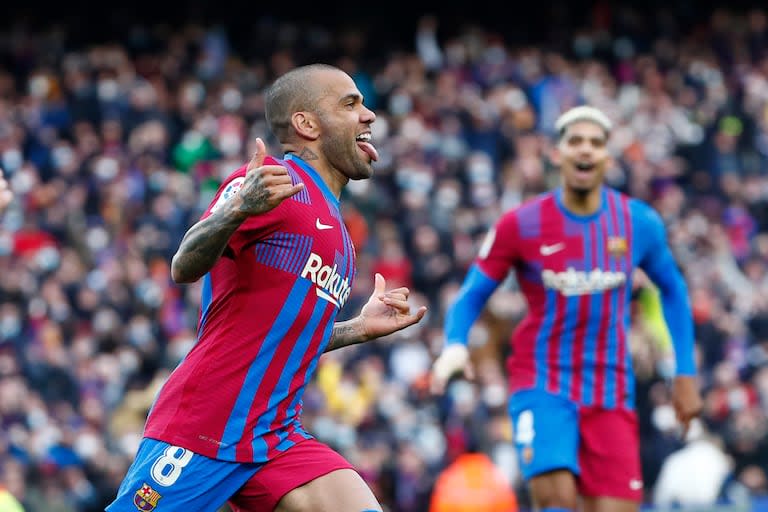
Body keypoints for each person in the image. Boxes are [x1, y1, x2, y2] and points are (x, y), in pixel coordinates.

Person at [107, 63, 427, 512]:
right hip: (208, 424)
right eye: (350, 104)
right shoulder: (269, 183)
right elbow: (184, 264)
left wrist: (356, 328)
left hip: (274, 436)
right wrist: (236, 210)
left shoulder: (340, 232)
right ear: (306, 123)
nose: (368, 114)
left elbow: (281, 337)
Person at [429, 105, 703, 512]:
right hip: (542, 383)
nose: (586, 150)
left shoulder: (637, 223)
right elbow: (471, 293)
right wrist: (454, 344)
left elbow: (675, 289)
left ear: (608, 157)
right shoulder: (521, 224)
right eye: (575, 141)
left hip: (611, 389)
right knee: (556, 501)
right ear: (557, 154)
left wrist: (684, 372)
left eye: (596, 142)